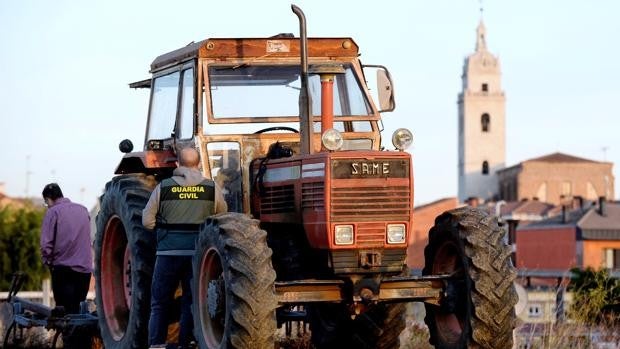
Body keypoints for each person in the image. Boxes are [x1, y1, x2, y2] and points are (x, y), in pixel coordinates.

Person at [143, 147, 227, 349]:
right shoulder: (211, 188)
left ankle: (156, 345)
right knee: (190, 302)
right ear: (198, 164)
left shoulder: (164, 187)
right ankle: (186, 343)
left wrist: (164, 231)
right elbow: (222, 216)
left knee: (159, 304)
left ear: (177, 164)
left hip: (167, 255)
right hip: (196, 257)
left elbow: (147, 221)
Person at [40, 183, 93, 316]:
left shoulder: (53, 212)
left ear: (48, 199)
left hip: (63, 271)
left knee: (64, 316)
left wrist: (47, 261)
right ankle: (80, 337)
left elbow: (46, 245)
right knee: (78, 314)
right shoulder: (83, 210)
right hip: (84, 271)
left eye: (46, 202)